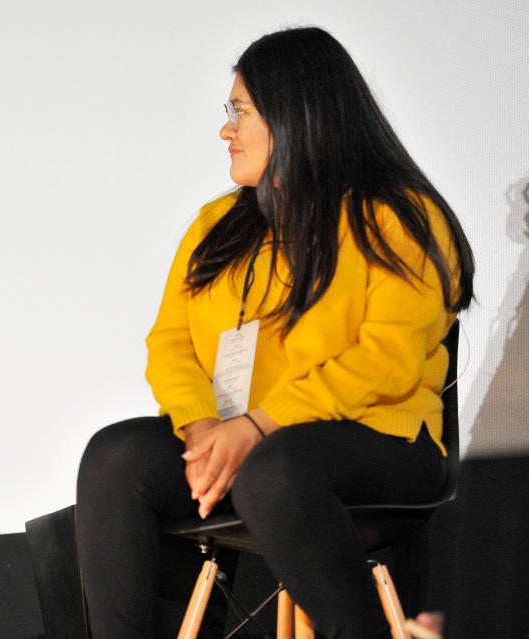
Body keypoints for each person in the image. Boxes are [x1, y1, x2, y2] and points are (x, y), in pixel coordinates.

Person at [75, 26, 474, 639]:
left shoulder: (397, 217)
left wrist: (257, 427)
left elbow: (384, 361)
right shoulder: (216, 225)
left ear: (298, 116)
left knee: (276, 470)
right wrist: (204, 427)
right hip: (248, 442)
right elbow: (171, 343)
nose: (225, 129)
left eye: (240, 111)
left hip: (379, 439)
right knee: (116, 456)